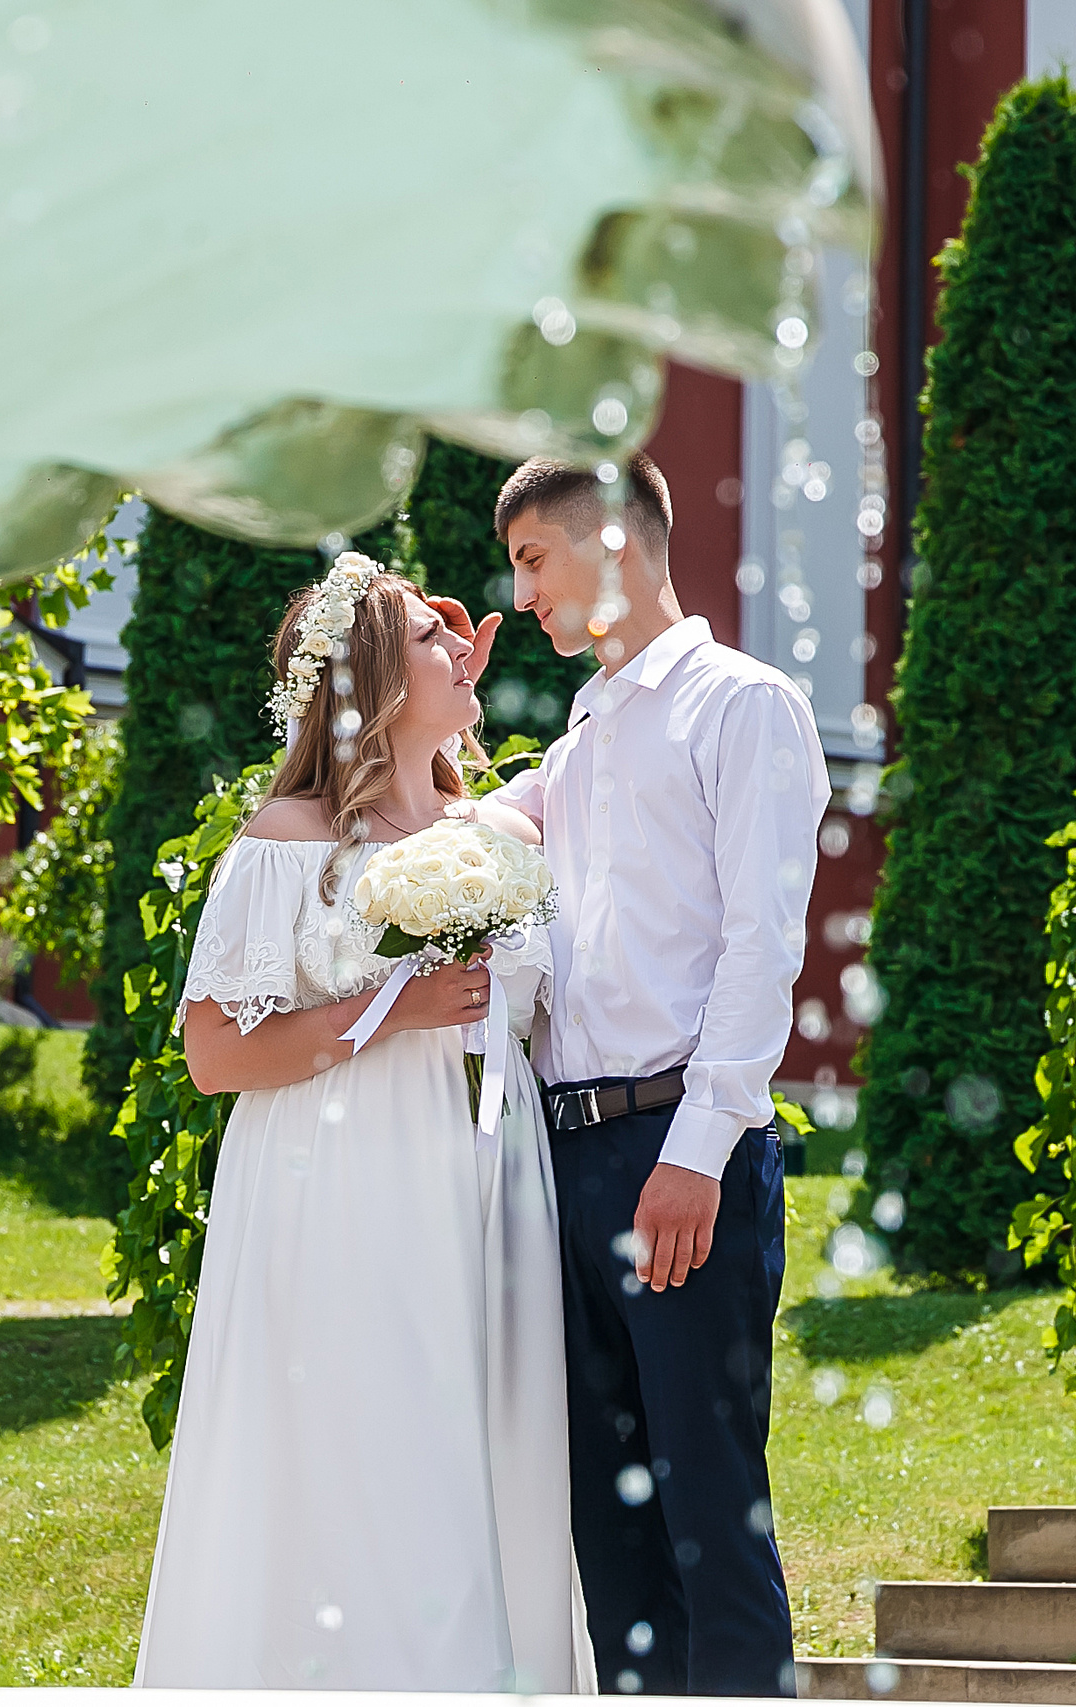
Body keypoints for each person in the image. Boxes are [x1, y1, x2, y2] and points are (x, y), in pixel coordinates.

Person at [133, 553, 592, 1693]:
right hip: (341, 1175)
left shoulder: (493, 835)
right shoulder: (289, 837)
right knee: (370, 1439)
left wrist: (451, 698)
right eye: (433, 643)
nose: (464, 646)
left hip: (487, 1165)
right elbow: (213, 1052)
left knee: (489, 1442)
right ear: (381, 684)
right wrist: (392, 1013)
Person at [487, 452, 830, 1697]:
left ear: (614, 544)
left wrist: (697, 1153)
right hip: (566, 1162)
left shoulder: (742, 706)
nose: (522, 597)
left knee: (707, 1514)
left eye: (534, 561)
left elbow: (761, 943)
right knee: (610, 1533)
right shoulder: (578, 736)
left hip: (677, 1156)